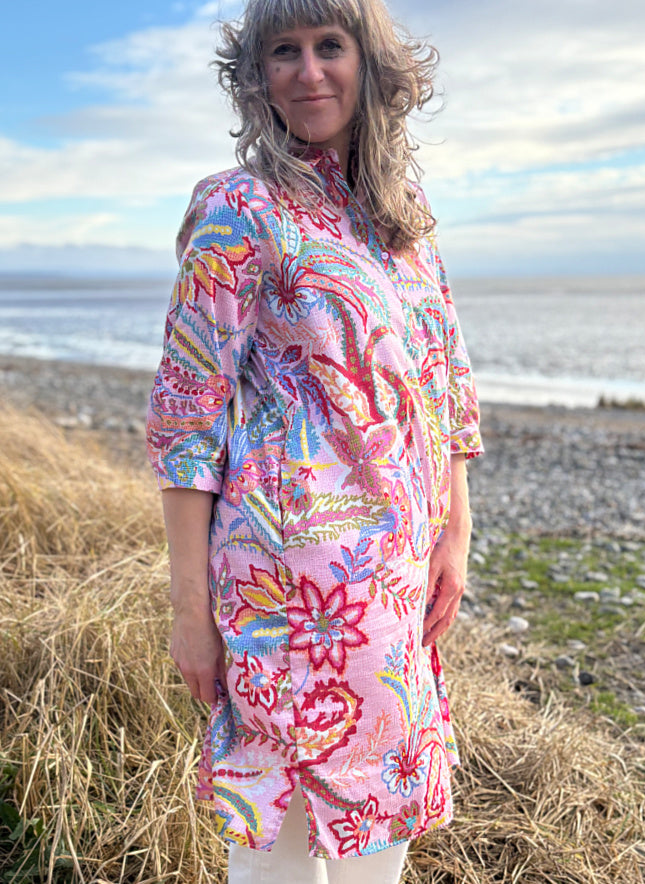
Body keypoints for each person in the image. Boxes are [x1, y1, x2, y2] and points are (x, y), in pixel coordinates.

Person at [146, 0, 483, 880]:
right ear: (256, 75)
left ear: (370, 62)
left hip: (395, 589)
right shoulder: (239, 208)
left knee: (381, 845)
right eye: (283, 51)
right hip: (284, 599)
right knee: (276, 862)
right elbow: (186, 419)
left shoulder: (404, 217)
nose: (308, 71)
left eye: (329, 45)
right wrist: (190, 616)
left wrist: (456, 532)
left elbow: (444, 378)